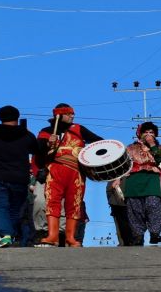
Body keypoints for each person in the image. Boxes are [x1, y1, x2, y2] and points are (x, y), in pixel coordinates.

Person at [36, 103, 102, 247]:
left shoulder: (78, 129)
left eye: (72, 114)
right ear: (58, 115)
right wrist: (48, 143)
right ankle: (52, 235)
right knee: (52, 201)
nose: (72, 116)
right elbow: (38, 151)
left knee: (74, 204)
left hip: (76, 173)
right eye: (68, 114)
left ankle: (70, 237)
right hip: (55, 170)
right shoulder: (46, 131)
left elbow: (98, 141)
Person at [0, 105, 39, 248]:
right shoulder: (25, 135)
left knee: (0, 206)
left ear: (0, 118)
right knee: (16, 208)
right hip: (19, 178)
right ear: (17, 117)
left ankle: (6, 235)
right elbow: (36, 150)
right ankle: (13, 235)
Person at [115, 122, 161, 246]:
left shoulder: (159, 148)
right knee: (135, 210)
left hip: (151, 180)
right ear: (140, 134)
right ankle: (138, 235)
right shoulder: (130, 148)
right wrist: (118, 179)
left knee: (153, 206)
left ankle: (154, 233)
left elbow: (159, 159)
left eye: (151, 132)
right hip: (134, 180)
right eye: (146, 132)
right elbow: (123, 165)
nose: (148, 134)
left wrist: (152, 145)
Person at [106, 177, 134, 246]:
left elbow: (108, 190)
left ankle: (127, 242)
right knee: (121, 225)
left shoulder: (129, 176)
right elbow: (109, 190)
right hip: (117, 204)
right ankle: (124, 242)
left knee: (124, 225)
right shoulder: (114, 177)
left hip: (125, 204)